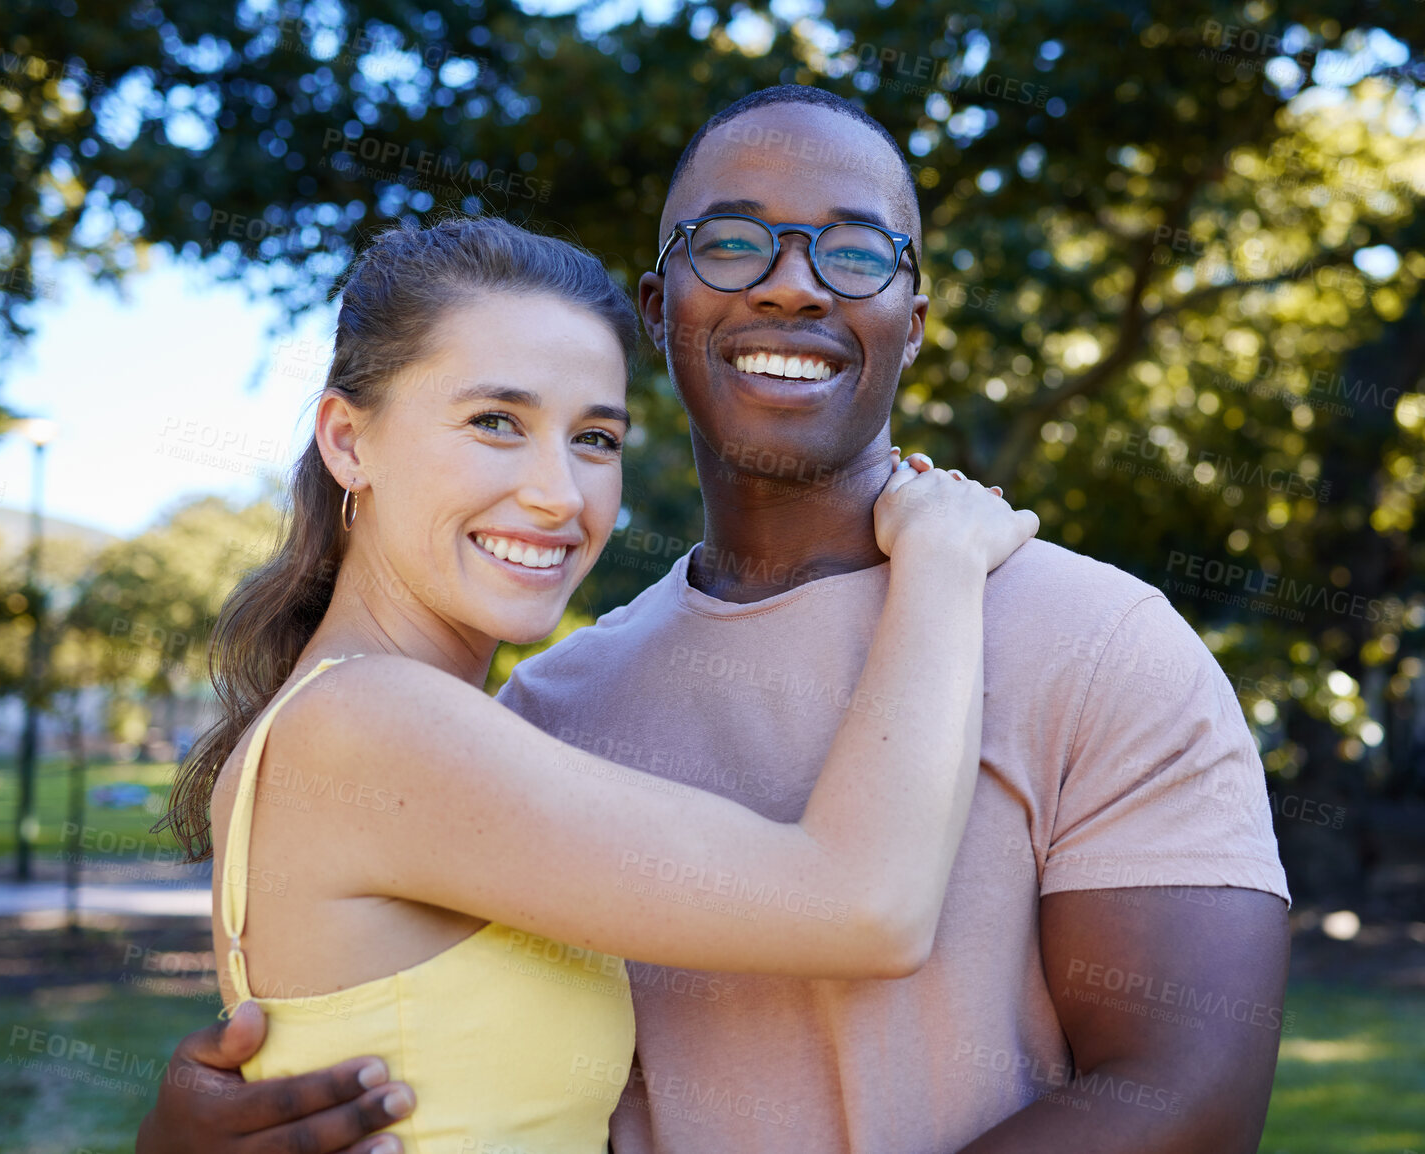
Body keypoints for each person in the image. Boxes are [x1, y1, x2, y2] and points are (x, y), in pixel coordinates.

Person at [140, 87, 1292, 1154]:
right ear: (663, 307)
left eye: (591, 437)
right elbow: (856, 906)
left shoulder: (1100, 636)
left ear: (914, 313)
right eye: (734, 241)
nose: (794, 284)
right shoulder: (532, 710)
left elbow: (1183, 1098)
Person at [157, 214, 1036, 1152]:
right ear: (348, 440)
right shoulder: (369, 722)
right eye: (496, 422)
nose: (560, 494)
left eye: (596, 439)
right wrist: (939, 557)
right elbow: (867, 908)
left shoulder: (355, 716)